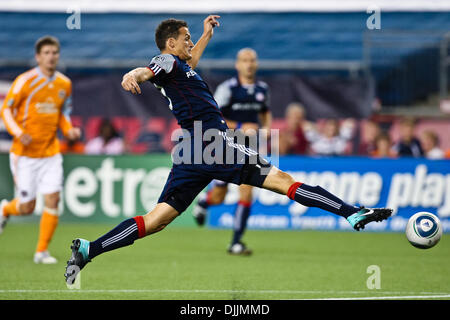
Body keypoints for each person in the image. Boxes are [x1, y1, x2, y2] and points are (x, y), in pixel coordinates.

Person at [64, 16, 392, 284]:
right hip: (215, 143)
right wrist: (131, 74)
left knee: (157, 220)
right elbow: (147, 70)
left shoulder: (182, 68)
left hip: (191, 150)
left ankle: (89, 249)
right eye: (187, 37)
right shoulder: (165, 60)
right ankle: (351, 212)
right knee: (282, 180)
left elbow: (186, 61)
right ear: (170, 43)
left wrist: (206, 34)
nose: (191, 42)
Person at [0, 36, 81, 264]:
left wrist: (69, 130)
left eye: (54, 52)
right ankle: (5, 209)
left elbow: (63, 114)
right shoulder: (25, 81)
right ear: (38, 56)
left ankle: (42, 251)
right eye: (46, 53)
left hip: (50, 153)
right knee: (26, 207)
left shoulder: (64, 83)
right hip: (24, 154)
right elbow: (6, 110)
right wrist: (17, 132)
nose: (51, 56)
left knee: (53, 200)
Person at [191, 47, 272, 255]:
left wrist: (267, 128)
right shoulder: (228, 89)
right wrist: (240, 127)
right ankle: (203, 202)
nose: (249, 64)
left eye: (252, 60)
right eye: (245, 60)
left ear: (256, 63)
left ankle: (236, 242)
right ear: (238, 64)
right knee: (219, 195)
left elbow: (264, 113)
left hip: (250, 147)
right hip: (225, 144)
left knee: (247, 190)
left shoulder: (262, 89)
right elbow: (213, 115)